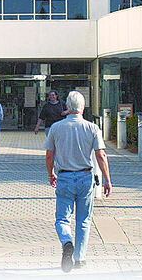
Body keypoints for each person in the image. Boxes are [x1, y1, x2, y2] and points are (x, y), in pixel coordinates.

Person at [45, 91, 112, 272]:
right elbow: (101, 155)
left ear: (67, 106)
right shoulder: (92, 128)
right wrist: (107, 179)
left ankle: (67, 241)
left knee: (62, 219)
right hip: (85, 177)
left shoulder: (56, 128)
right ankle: (80, 258)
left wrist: (50, 173)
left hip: (65, 176)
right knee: (84, 220)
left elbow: (50, 154)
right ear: (83, 107)